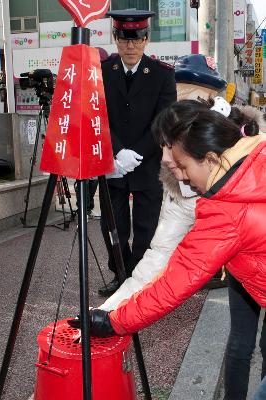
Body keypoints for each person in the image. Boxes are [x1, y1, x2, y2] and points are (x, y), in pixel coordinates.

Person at [85, 100, 266, 398]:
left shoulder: (225, 209)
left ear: (208, 157)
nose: (180, 175)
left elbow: (175, 281)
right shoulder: (252, 154)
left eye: (182, 165)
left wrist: (115, 321)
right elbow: (162, 258)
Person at [98, 9, 176, 296]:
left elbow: (164, 121)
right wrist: (118, 152)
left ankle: (137, 277)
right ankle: (120, 274)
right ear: (115, 38)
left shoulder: (162, 75)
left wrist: (136, 153)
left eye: (137, 38)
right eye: (124, 38)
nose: (130, 45)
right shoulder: (103, 72)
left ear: (147, 39)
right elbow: (98, 116)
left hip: (148, 164)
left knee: (146, 226)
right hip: (111, 164)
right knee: (112, 225)